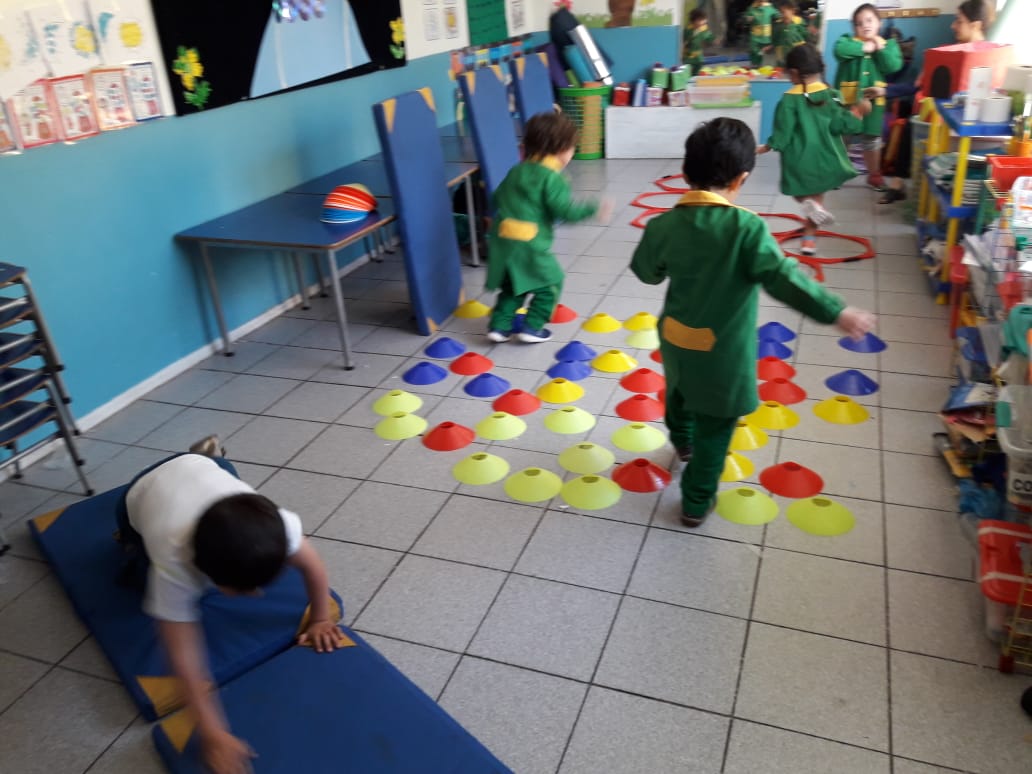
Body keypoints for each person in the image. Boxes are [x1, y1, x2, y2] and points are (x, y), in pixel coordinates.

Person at [630, 118, 875, 526]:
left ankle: (681, 441)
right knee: (717, 428)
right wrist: (837, 311)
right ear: (742, 179)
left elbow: (647, 272)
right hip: (722, 351)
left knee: (679, 393)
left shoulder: (663, 225)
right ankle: (695, 502)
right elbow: (784, 279)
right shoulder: (747, 228)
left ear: (687, 173)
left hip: (675, 338)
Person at [116, 437, 343, 774]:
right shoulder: (172, 562)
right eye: (241, 590)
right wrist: (212, 731)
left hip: (203, 470)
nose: (254, 595)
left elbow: (312, 565)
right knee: (132, 577)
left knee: (221, 473)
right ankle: (132, 538)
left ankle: (207, 456)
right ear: (206, 573)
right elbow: (184, 654)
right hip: (141, 495)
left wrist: (321, 618)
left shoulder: (281, 524)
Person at [484, 112, 611, 344]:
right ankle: (532, 327)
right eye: (572, 148)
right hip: (530, 243)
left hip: (502, 239)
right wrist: (592, 209)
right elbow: (565, 211)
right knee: (551, 282)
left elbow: (496, 197)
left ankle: (499, 326)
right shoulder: (552, 178)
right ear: (562, 150)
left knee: (513, 284)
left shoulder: (517, 170)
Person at [877, 0, 996, 203]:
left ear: (976, 25)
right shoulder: (944, 53)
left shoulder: (992, 56)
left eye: (958, 21)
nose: (952, 26)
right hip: (933, 117)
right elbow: (918, 87)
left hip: (967, 125)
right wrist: (884, 90)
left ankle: (910, 187)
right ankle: (899, 183)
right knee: (909, 121)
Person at [758, 44, 871, 256]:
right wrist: (857, 112)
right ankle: (809, 241)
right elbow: (842, 126)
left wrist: (767, 146)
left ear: (793, 73)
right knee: (817, 197)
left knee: (802, 195)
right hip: (826, 158)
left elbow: (783, 134)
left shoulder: (788, 100)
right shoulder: (832, 95)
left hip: (799, 159)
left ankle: (809, 212)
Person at [833, 3, 903, 191]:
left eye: (869, 20)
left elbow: (893, 66)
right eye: (859, 23)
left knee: (872, 139)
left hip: (873, 103)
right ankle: (836, 173)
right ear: (854, 28)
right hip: (847, 102)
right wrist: (865, 47)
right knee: (842, 137)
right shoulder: (847, 41)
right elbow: (839, 51)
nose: (865, 25)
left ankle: (874, 175)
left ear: (879, 23)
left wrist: (879, 47)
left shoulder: (889, 46)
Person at [744, 0, 779, 67]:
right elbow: (746, 18)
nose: (761, 2)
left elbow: (777, 16)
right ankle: (754, 64)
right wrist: (748, 19)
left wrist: (778, 17)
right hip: (755, 35)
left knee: (761, 51)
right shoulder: (752, 8)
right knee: (754, 49)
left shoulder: (769, 8)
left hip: (765, 36)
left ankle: (759, 64)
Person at [773, 0, 809, 65]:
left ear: (793, 11)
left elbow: (805, 35)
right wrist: (772, 45)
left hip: (796, 52)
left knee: (795, 67)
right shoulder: (778, 23)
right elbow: (775, 38)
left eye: (783, 12)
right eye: (780, 12)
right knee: (781, 69)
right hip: (782, 53)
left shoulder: (799, 22)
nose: (781, 15)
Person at [684, 8, 716, 75]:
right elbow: (685, 41)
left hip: (699, 58)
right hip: (688, 58)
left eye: (704, 20)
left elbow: (709, 36)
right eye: (700, 20)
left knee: (697, 73)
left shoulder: (704, 29)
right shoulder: (688, 30)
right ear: (694, 21)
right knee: (688, 73)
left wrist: (713, 40)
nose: (703, 22)